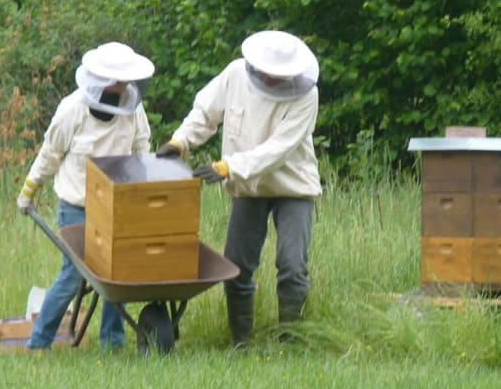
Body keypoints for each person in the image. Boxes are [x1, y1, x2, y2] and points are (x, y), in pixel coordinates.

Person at [157, 30, 321, 346]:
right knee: (237, 264)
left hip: (293, 185)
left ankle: (291, 342)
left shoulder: (306, 95)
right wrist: (180, 141)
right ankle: (241, 342)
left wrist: (228, 167)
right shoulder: (235, 74)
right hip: (248, 187)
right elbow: (206, 112)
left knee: (292, 264)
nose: (271, 79)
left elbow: (278, 150)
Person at [17, 42, 155, 350]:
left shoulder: (134, 108)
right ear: (103, 78)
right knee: (73, 276)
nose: (124, 84)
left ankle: (113, 344)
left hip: (117, 204)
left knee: (115, 277)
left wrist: (145, 189)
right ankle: (38, 344)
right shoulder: (72, 110)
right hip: (76, 206)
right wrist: (28, 191)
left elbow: (142, 147)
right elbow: (50, 154)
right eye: (120, 78)